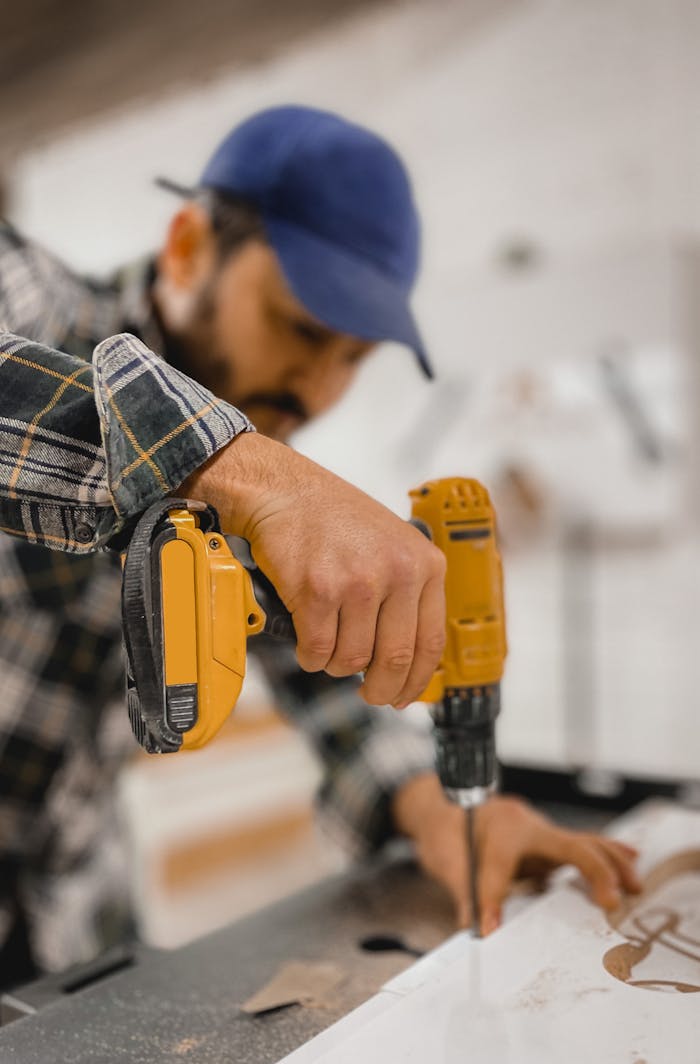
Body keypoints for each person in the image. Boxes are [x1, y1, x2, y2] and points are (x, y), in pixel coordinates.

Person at [0, 106, 639, 984]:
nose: (316, 386)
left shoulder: (248, 467)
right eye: (302, 329)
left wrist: (439, 811)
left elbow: (322, 673)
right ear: (187, 248)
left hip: (68, 918)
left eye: (354, 357)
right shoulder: (35, 300)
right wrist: (235, 466)